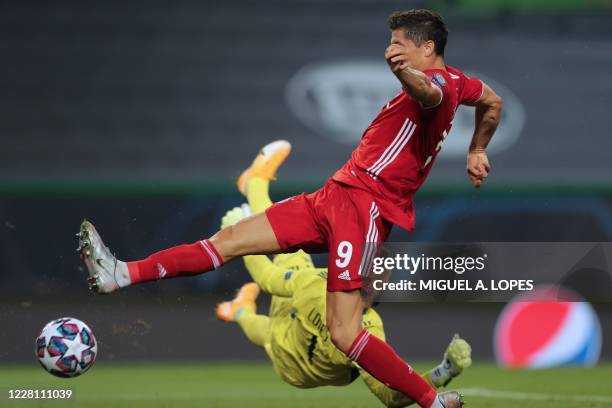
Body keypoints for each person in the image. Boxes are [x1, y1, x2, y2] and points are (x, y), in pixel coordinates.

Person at [78, 9, 501, 408]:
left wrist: (404, 73)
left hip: (365, 208)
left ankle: (429, 402)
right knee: (227, 241)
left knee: (344, 331)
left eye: (398, 44)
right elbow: (493, 103)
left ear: (427, 48)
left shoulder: (441, 86)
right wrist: (477, 149)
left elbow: (428, 92)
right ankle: (121, 273)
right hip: (333, 195)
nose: (391, 50)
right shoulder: (464, 84)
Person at [214, 158, 472, 407]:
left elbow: (268, 279)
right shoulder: (366, 326)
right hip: (299, 344)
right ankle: (238, 306)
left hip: (290, 354)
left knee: (272, 322)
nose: (379, 282)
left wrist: (236, 241)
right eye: (376, 275)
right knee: (286, 257)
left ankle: (255, 185)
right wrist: (443, 372)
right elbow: (390, 397)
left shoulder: (321, 287)